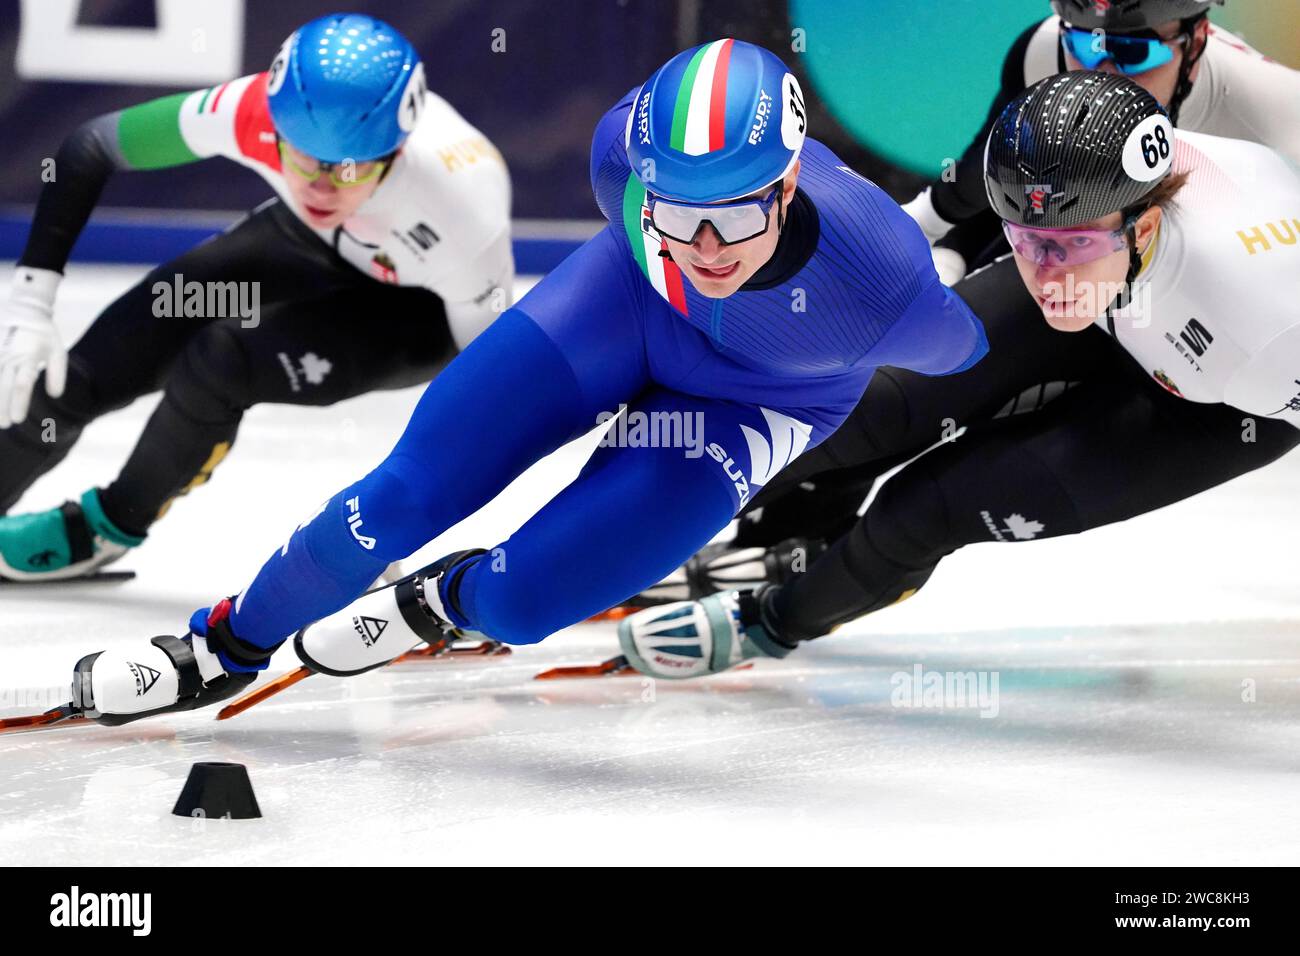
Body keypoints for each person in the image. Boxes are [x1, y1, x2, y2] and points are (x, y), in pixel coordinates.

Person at [56, 39, 987, 724]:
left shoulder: (894, 292)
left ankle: (442, 600)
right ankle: (220, 646)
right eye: (678, 213)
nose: (705, 250)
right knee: (394, 500)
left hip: (761, 401)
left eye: (736, 219)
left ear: (786, 189)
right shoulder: (619, 152)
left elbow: (989, 348)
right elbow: (677, 226)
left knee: (524, 602)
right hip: (624, 306)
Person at [616, 70, 1300, 680]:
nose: (1046, 273)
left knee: (934, 507)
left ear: (1145, 229)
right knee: (868, 406)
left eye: (1070, 246)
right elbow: (986, 218)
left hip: (1218, 400)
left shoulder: (1267, 326)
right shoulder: (1061, 178)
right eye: (1025, 242)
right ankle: (634, 527)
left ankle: (770, 622)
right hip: (1121, 294)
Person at [0, 13, 513, 581]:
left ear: (394, 152)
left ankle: (106, 525)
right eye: (300, 156)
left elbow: (492, 382)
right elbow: (91, 147)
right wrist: (30, 301)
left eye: (345, 171)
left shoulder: (461, 212)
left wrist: (406, 518)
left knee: (223, 360)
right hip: (306, 242)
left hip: (417, 310)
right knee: (106, 349)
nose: (318, 186)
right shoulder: (254, 114)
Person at [904, 0, 1300, 286]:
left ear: (1196, 42)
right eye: (1086, 46)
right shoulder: (1044, 51)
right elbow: (990, 165)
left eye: (1135, 53)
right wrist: (930, 229)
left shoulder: (1278, 113)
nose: (1104, 74)